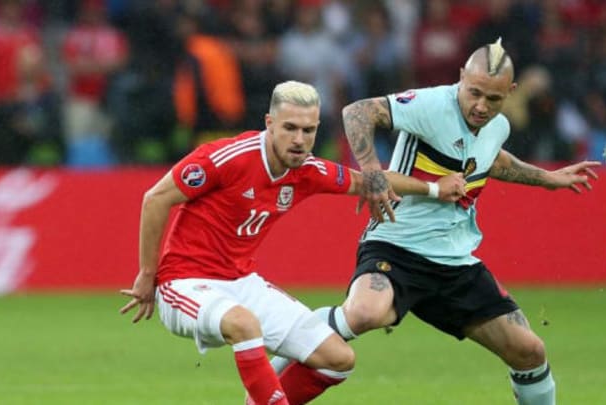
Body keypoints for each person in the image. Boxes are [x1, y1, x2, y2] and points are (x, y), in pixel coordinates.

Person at [271, 38, 601, 404]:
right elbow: (357, 112)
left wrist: (548, 178)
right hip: (397, 245)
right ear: (461, 77)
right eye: (474, 93)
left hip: (456, 263)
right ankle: (294, 338)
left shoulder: (497, 126)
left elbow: (493, 160)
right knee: (365, 313)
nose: (480, 106)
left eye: (493, 99)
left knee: (530, 351)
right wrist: (374, 175)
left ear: (510, 91)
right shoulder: (431, 104)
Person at [119, 80, 466, 405]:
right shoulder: (227, 157)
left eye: (308, 130)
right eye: (290, 128)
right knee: (244, 324)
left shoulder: (307, 170)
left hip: (242, 283)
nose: (299, 140)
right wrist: (148, 274)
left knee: (338, 359)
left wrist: (434, 189)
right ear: (270, 123)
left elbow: (369, 181)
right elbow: (156, 198)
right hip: (186, 283)